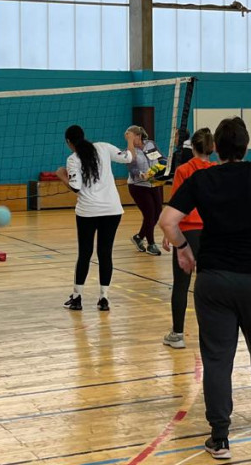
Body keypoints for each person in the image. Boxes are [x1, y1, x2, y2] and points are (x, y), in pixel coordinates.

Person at [160, 117, 251, 461]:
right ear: (246, 146)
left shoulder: (202, 177)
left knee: (217, 358)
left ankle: (219, 436)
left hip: (214, 279)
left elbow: (167, 221)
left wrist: (184, 249)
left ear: (216, 148)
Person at [57, 125, 132, 312]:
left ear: (69, 142)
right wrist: (130, 139)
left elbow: (75, 187)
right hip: (112, 210)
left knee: (85, 253)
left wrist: (61, 176)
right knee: (105, 253)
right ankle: (104, 298)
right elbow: (129, 157)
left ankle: (77, 298)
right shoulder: (104, 147)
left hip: (88, 211)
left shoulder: (73, 159)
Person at [162, 127, 215, 350]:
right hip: (212, 233)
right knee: (209, 284)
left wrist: (168, 233)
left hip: (187, 233)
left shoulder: (184, 170)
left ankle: (178, 334)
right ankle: (212, 334)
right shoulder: (216, 170)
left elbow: (176, 203)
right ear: (212, 149)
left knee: (181, 285)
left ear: (192, 147)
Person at [125, 125, 164, 256]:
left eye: (130, 136)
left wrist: (161, 167)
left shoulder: (150, 144)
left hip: (154, 183)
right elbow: (132, 168)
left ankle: (139, 237)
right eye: (127, 137)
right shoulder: (130, 150)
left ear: (138, 135)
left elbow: (161, 158)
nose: (128, 138)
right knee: (149, 214)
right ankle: (151, 244)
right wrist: (140, 174)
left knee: (158, 212)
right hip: (138, 186)